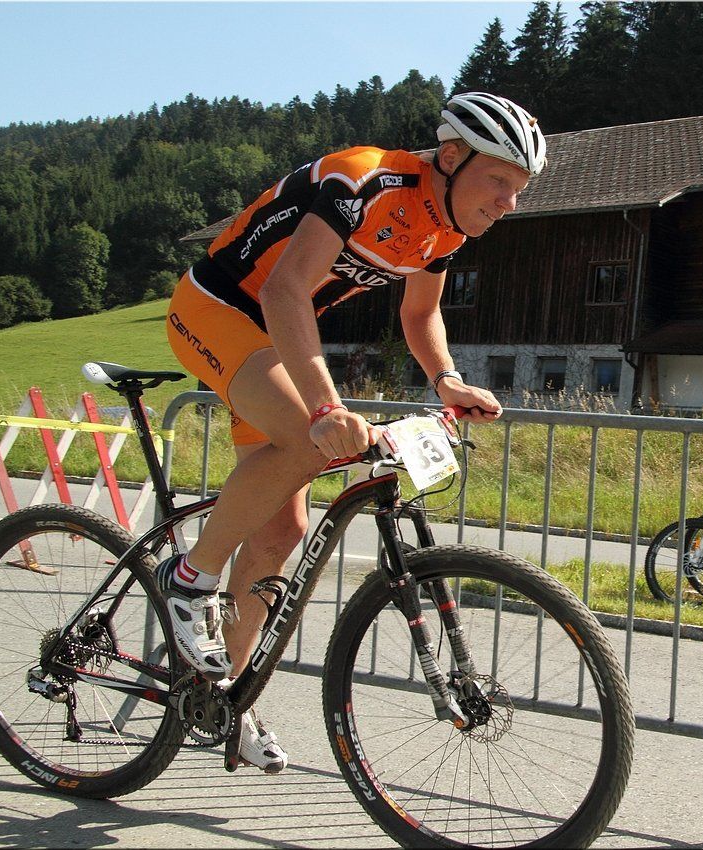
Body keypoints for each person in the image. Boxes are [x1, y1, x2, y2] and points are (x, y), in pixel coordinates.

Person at [157, 92, 547, 772]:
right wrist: (325, 408)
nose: (508, 203)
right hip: (218, 306)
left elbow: (420, 315)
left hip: (274, 335)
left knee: (280, 533)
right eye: (497, 181)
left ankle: (224, 698)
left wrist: (448, 381)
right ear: (450, 157)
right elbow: (283, 290)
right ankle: (190, 578)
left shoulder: (445, 228)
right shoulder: (363, 180)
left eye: (518, 189)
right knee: (307, 438)